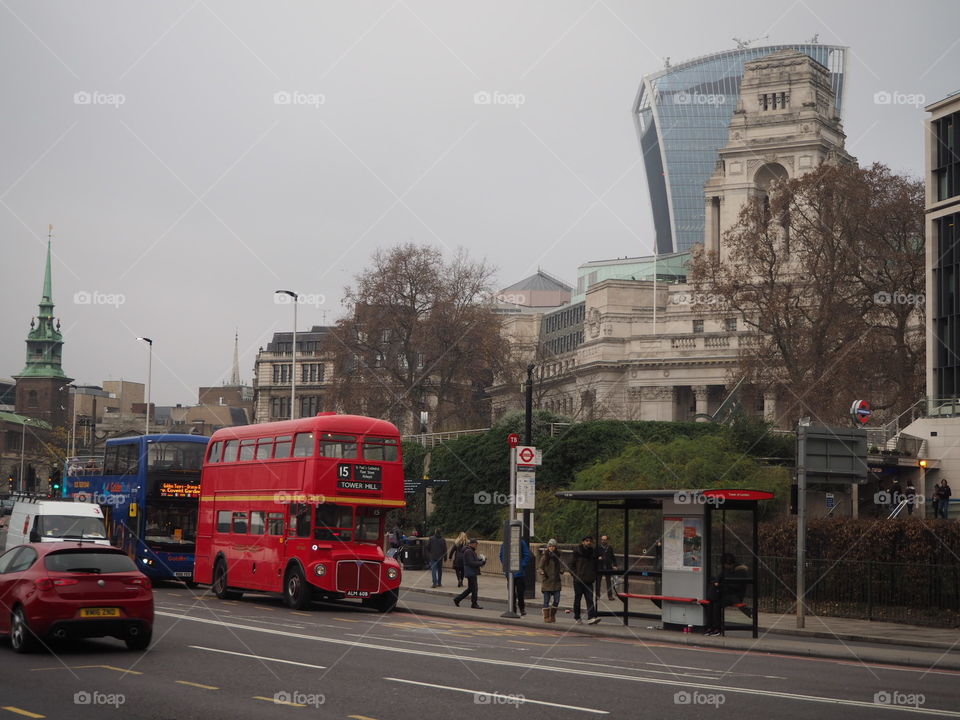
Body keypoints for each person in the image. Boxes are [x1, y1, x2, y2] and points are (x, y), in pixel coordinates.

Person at [704, 553, 750, 636]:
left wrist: (721, 585)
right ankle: (711, 626)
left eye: (725, 565)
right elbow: (719, 577)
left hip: (735, 596)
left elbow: (736, 586)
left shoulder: (741, 571)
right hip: (725, 594)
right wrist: (717, 581)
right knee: (710, 603)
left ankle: (717, 628)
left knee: (717, 604)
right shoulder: (727, 570)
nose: (724, 567)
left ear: (729, 564)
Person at [499, 536, 532, 615]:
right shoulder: (505, 543)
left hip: (520, 573)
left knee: (520, 592)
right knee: (511, 592)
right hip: (509, 573)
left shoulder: (521, 543)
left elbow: (527, 555)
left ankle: (522, 608)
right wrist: (506, 565)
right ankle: (513, 608)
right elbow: (502, 555)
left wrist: (520, 565)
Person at [571, 535, 600, 624]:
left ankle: (591, 617)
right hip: (578, 581)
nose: (588, 542)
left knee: (590, 599)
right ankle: (577, 617)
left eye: (590, 541)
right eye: (587, 541)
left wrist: (593, 576)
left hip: (588, 580)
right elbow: (571, 565)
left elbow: (595, 566)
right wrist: (576, 576)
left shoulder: (593, 553)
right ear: (583, 542)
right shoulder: (577, 552)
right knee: (578, 599)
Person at [453, 538, 485, 609]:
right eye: (476, 544)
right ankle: (474, 604)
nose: (476, 545)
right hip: (471, 572)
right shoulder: (468, 551)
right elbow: (471, 562)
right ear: (471, 544)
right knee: (474, 588)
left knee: (471, 589)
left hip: (472, 572)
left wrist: (482, 560)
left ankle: (457, 599)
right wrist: (481, 563)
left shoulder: (471, 551)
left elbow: (474, 560)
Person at [539, 539, 563, 622]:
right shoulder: (544, 557)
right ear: (548, 547)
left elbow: (561, 566)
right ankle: (546, 617)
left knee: (557, 600)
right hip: (547, 581)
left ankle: (552, 615)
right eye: (550, 546)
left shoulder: (558, 557)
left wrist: (562, 570)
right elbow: (539, 567)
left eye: (553, 546)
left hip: (556, 582)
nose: (552, 548)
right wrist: (541, 572)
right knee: (546, 600)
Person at [598, 534, 618, 600]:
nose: (603, 541)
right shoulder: (598, 547)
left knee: (608, 582)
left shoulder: (609, 547)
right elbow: (593, 556)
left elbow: (613, 557)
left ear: (607, 540)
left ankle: (610, 596)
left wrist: (615, 565)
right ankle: (597, 595)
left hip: (607, 567)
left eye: (604, 540)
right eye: (602, 540)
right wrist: (598, 558)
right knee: (598, 582)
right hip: (600, 567)